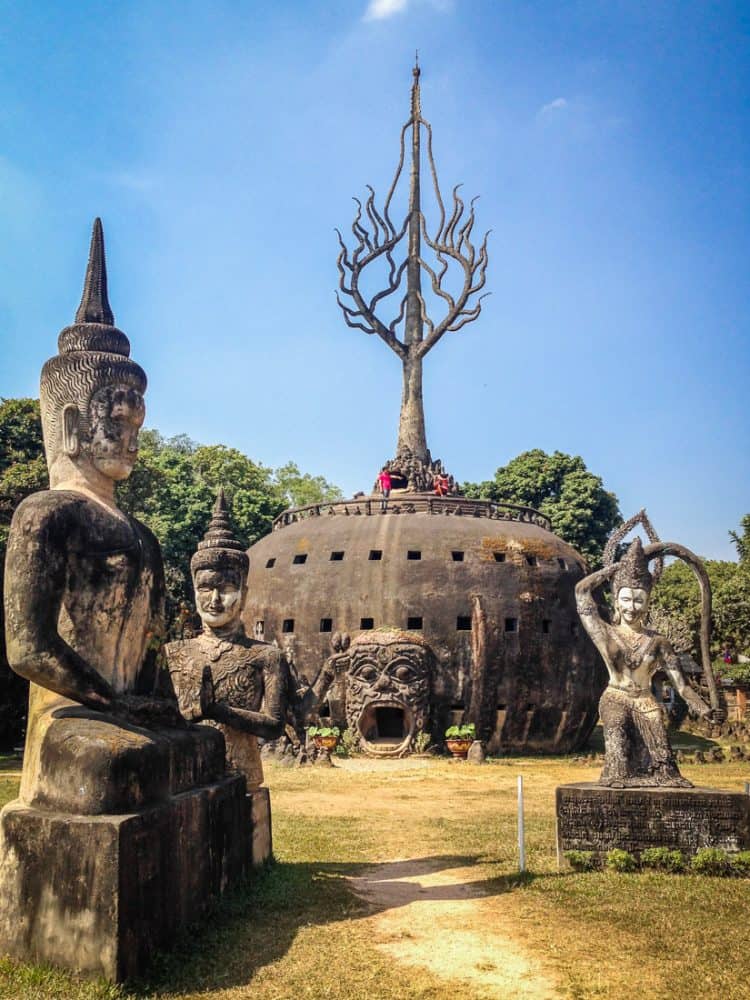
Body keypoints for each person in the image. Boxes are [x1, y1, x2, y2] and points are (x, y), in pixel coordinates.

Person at [575, 537, 716, 787]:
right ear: (617, 601)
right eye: (626, 599)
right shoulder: (606, 633)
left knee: (664, 764)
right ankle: (618, 778)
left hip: (645, 701)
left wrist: (704, 709)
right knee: (617, 746)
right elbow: (582, 592)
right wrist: (614, 569)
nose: (632, 607)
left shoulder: (658, 642)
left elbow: (682, 687)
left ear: (648, 602)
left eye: (639, 600)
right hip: (616, 697)